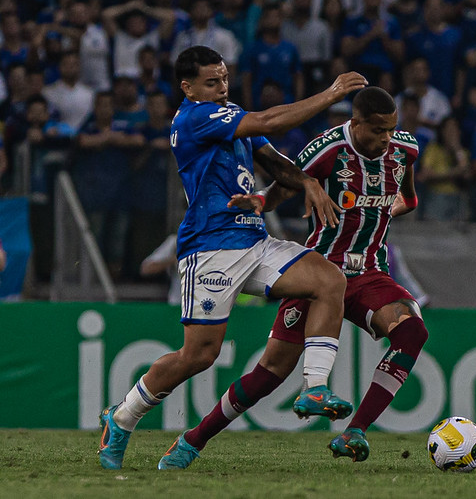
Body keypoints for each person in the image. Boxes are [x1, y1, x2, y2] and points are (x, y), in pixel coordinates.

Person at [97, 46, 368, 470]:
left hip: (254, 241)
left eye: (224, 79)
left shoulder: (227, 113)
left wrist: (306, 182)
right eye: (212, 82)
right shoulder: (194, 118)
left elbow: (274, 161)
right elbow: (271, 120)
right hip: (211, 248)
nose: (222, 88)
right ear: (188, 88)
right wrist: (332, 94)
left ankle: (315, 387)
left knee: (328, 280)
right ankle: (122, 416)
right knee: (199, 355)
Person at [156, 86, 428, 469]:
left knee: (413, 330)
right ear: (356, 122)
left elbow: (410, 198)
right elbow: (287, 181)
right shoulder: (328, 147)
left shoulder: (405, 149)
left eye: (391, 129)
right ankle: (193, 440)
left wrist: (377, 212)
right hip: (319, 273)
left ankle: (356, 431)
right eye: (378, 130)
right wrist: (263, 201)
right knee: (269, 374)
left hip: (368, 271)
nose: (386, 138)